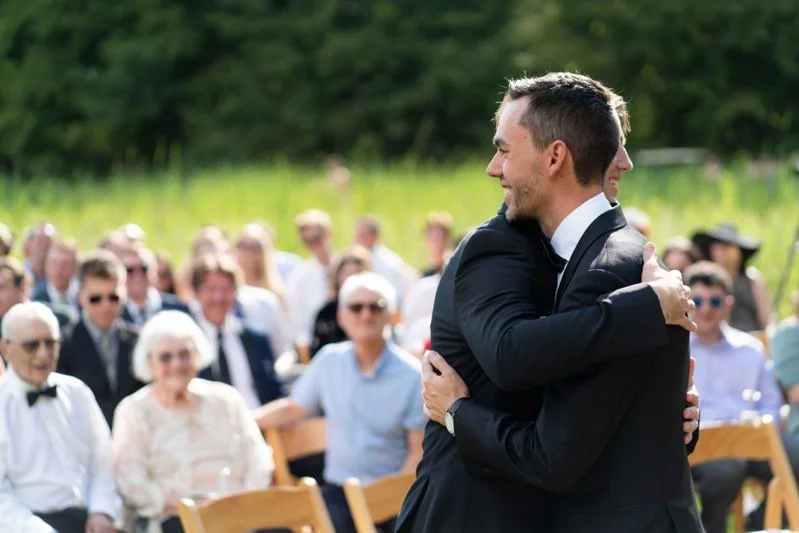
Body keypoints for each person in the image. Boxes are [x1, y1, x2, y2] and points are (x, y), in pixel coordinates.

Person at [396, 73, 701, 533]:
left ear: (555, 156)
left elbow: (556, 447)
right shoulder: (511, 247)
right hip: (473, 511)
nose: (492, 168)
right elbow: (514, 354)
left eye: (503, 150)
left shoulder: (604, 266)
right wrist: (649, 309)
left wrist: (458, 413)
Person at [255, 272, 424, 533]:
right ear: (342, 317)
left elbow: (418, 452)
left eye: (375, 307)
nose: (365, 315)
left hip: (392, 494)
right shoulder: (329, 361)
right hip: (339, 492)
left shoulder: (412, 375)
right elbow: (293, 409)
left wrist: (388, 502)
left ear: (391, 315)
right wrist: (244, 419)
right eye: (356, 307)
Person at [112, 311, 275, 533]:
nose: (177, 364)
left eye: (184, 354)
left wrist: (241, 503)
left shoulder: (226, 398)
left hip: (241, 512)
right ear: (149, 363)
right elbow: (130, 481)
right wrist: (186, 505)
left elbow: (258, 457)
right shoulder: (133, 410)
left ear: (197, 356)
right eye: (165, 357)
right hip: (177, 518)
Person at [0, 302, 121, 533]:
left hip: (88, 520)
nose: (43, 354)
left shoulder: (77, 392)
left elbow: (104, 459)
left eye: (51, 343)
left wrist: (101, 510)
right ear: (5, 349)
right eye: (31, 345)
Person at [692, 223, 772, 331]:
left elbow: (766, 318)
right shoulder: (701, 278)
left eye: (725, 247)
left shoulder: (752, 279)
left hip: (750, 336)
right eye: (716, 247)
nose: (720, 251)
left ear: (738, 252)